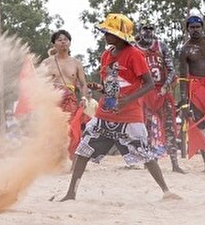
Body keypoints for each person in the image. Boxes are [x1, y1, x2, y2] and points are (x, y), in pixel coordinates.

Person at [61, 14, 178, 202]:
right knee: (82, 151)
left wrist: (127, 100)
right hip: (105, 113)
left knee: (145, 153)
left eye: (110, 32)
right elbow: (110, 86)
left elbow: (148, 84)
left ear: (121, 35)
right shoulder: (106, 55)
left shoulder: (135, 55)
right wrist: (99, 88)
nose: (106, 35)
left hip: (130, 115)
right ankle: (71, 193)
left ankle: (165, 191)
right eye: (105, 32)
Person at [135, 22, 185, 173]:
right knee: (147, 128)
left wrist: (165, 86)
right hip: (144, 94)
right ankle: (150, 162)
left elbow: (171, 70)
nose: (148, 31)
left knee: (169, 127)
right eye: (145, 29)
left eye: (151, 28)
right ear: (140, 31)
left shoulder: (161, 46)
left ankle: (174, 163)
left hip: (162, 92)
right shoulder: (134, 48)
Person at [178, 13, 205, 173]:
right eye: (192, 27)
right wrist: (184, 102)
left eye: (198, 27)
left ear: (202, 27)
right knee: (199, 126)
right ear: (188, 29)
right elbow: (183, 77)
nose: (195, 30)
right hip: (195, 89)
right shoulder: (185, 49)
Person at [41, 30, 89, 158]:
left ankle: (72, 159)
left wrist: (84, 98)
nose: (63, 42)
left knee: (72, 130)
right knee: (53, 130)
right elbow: (40, 83)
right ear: (53, 44)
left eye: (65, 39)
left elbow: (83, 84)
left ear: (70, 43)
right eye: (59, 40)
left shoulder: (76, 63)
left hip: (70, 101)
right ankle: (54, 160)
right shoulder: (46, 63)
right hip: (53, 101)